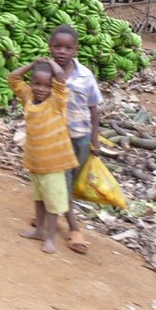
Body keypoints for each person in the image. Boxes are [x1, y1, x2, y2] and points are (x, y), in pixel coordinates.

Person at [6, 59, 78, 254]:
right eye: (37, 83)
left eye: (47, 85)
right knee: (39, 198)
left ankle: (50, 238)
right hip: (35, 161)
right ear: (31, 83)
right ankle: (39, 230)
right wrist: (31, 65)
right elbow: (13, 78)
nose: (41, 89)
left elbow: (62, 80)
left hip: (54, 164)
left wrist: (51, 64)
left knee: (53, 204)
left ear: (52, 86)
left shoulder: (57, 101)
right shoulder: (28, 96)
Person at [49, 23, 103, 255]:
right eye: (57, 46)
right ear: (50, 47)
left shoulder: (85, 76)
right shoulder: (46, 72)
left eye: (67, 48)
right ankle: (74, 228)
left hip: (80, 138)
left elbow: (93, 108)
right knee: (63, 182)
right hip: (54, 139)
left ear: (75, 50)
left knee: (70, 179)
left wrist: (95, 139)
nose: (62, 51)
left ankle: (49, 215)